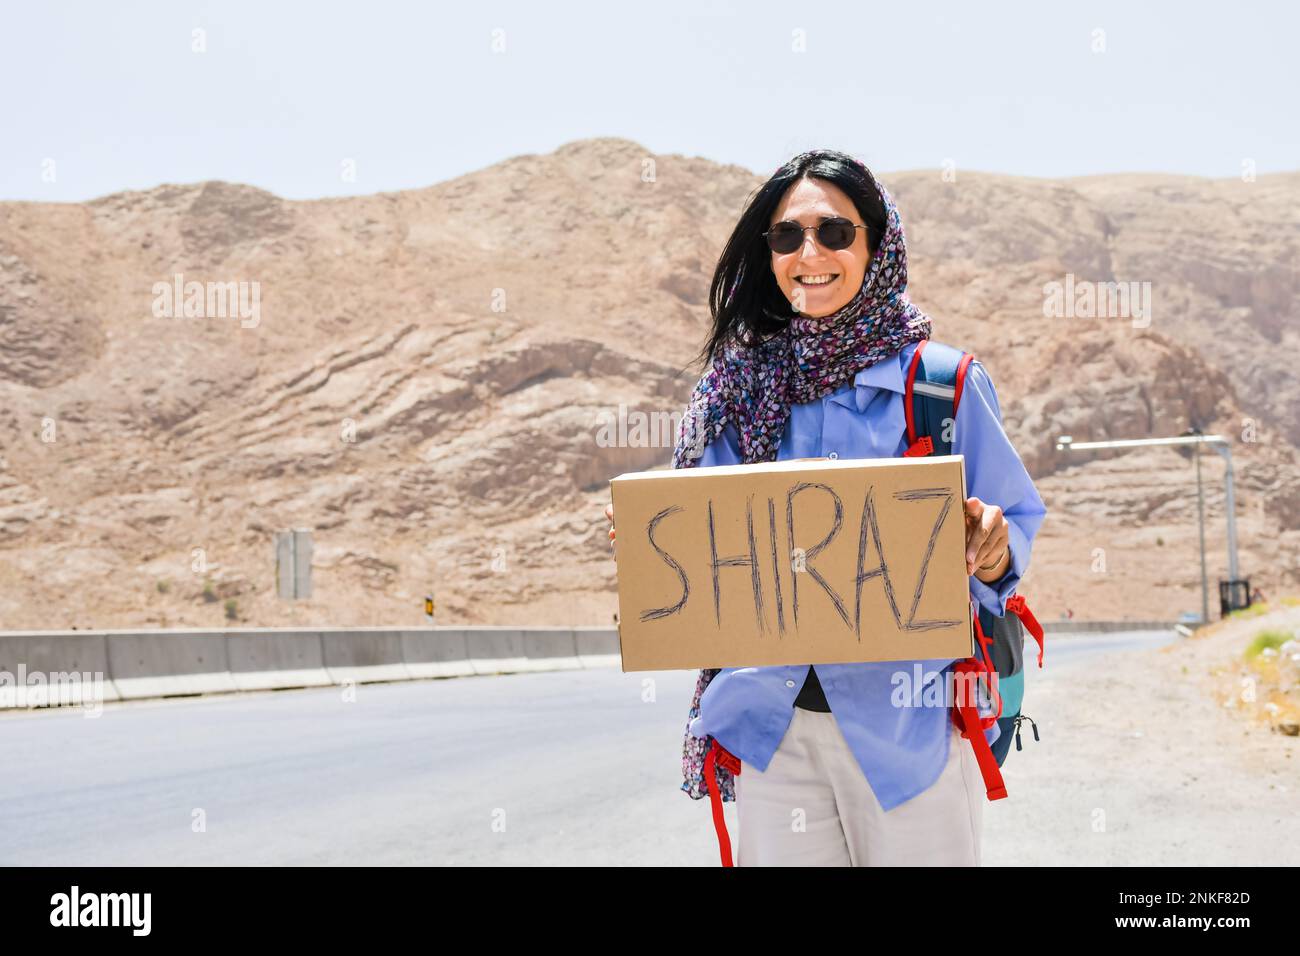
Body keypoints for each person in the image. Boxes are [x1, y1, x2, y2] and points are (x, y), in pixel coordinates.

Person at [606, 149, 1046, 866]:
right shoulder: (735, 389)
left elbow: (1012, 526)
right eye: (787, 237)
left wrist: (993, 548)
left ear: (876, 246)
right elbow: (710, 543)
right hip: (771, 737)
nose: (810, 254)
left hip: (911, 735)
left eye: (835, 233)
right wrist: (658, 546)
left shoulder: (941, 384)